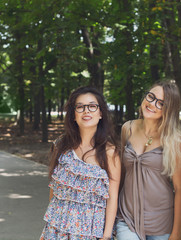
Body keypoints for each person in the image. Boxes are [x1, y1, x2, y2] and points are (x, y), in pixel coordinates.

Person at [40, 86, 121, 240]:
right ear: (73, 115)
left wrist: (106, 235)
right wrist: (46, 231)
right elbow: (55, 192)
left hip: (90, 231)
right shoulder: (60, 146)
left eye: (92, 106)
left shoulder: (110, 152)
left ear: (101, 113)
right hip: (57, 229)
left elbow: (112, 197)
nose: (86, 111)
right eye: (80, 107)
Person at [116, 81, 181, 240]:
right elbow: (121, 173)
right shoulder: (127, 128)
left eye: (161, 103)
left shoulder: (176, 141)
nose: (152, 104)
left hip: (161, 221)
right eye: (151, 97)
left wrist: (176, 232)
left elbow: (180, 189)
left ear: (169, 110)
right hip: (127, 215)